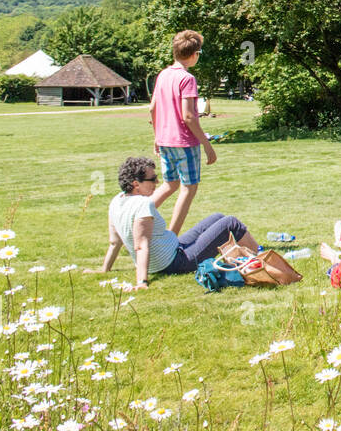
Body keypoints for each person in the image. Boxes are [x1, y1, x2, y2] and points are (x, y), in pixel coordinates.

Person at [99, 155, 260, 288]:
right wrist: (142, 282)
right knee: (230, 223)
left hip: (174, 249)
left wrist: (105, 269)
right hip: (176, 263)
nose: (157, 183)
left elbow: (114, 242)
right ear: (136, 184)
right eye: (152, 179)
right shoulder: (142, 204)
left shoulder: (116, 201)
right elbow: (141, 245)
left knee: (217, 217)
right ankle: (260, 259)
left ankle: (248, 256)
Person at [149, 30, 216, 235]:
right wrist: (207, 145)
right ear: (195, 54)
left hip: (165, 140)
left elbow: (153, 108)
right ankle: (172, 237)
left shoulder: (163, 75)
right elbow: (188, 116)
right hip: (184, 142)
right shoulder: (186, 79)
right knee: (189, 187)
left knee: (170, 184)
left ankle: (134, 216)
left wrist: (157, 136)